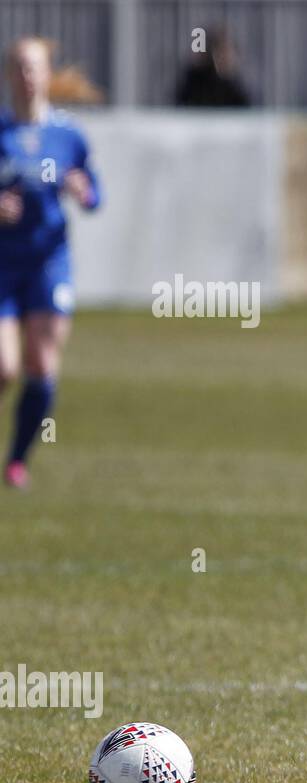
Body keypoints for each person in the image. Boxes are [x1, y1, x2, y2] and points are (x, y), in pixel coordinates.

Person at [0, 37, 101, 490]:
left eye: (34, 67)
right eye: (19, 67)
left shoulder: (69, 134)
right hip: (3, 264)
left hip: (48, 263)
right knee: (4, 368)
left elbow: (96, 193)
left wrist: (84, 191)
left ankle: (17, 461)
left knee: (42, 364)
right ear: (8, 75)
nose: (26, 76)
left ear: (46, 74)